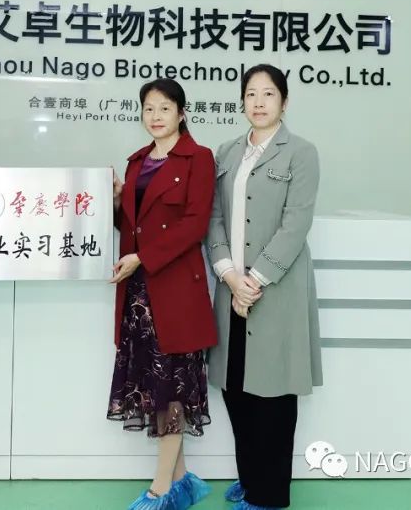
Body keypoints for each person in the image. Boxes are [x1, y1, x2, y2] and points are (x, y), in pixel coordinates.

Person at [205, 64, 323, 510]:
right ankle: (251, 478)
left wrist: (253, 281)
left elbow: (296, 224)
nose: (258, 102)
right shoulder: (227, 152)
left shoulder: (301, 153)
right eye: (251, 94)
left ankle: (269, 495)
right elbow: (214, 217)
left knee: (273, 393)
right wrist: (229, 276)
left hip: (275, 292)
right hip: (231, 289)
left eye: (268, 94)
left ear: (284, 102)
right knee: (235, 387)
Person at [107, 78, 218, 510]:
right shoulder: (137, 162)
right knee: (157, 386)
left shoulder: (198, 158)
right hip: (139, 291)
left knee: (170, 388)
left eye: (165, 108)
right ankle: (183, 481)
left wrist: (142, 257)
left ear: (182, 113)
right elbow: (132, 227)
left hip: (173, 291)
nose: (155, 116)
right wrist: (116, 202)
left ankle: (160, 489)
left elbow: (194, 225)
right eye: (148, 108)